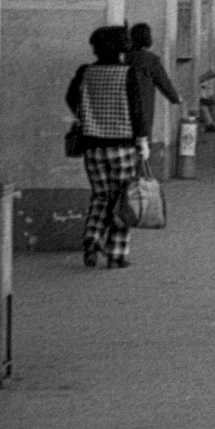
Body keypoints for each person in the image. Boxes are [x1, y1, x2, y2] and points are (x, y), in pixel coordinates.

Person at [64, 25, 151, 269]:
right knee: (123, 199)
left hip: (92, 145)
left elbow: (71, 98)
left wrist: (87, 116)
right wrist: (142, 141)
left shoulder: (85, 72)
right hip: (122, 145)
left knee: (101, 196)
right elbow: (137, 110)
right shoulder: (128, 73)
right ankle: (117, 253)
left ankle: (92, 238)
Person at [127, 22, 184, 152]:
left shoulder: (125, 58)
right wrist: (176, 98)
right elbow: (163, 82)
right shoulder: (150, 59)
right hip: (144, 105)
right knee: (143, 145)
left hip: (124, 108)